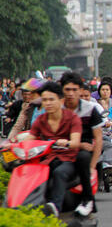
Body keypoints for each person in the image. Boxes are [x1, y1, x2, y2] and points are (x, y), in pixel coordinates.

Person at [24, 82, 82, 217]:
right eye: (45, 100)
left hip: (69, 160)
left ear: (61, 100)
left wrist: (66, 143)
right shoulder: (41, 120)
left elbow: (75, 142)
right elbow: (30, 138)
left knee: (59, 172)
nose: (48, 103)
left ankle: (55, 207)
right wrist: (13, 144)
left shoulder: (72, 118)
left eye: (51, 99)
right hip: (49, 158)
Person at [61, 72, 104, 216]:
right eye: (67, 90)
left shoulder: (90, 109)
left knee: (83, 157)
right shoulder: (56, 108)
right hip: (59, 149)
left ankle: (88, 199)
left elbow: (98, 138)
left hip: (83, 151)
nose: (71, 93)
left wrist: (92, 166)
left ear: (80, 90)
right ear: (62, 90)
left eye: (75, 90)